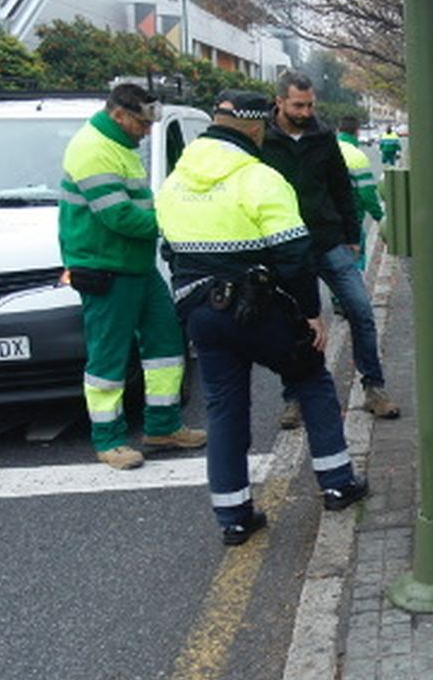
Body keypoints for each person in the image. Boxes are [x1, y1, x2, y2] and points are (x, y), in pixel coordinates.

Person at [155, 90, 367, 546]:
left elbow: (170, 251)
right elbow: (294, 256)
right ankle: (337, 483)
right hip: (259, 309)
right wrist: (311, 315)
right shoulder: (260, 179)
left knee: (224, 408)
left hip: (201, 312)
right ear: (257, 127)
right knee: (310, 378)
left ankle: (233, 515)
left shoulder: (174, 182)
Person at [59, 83, 205, 470]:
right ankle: (108, 440)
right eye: (141, 123)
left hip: (135, 266)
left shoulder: (119, 147)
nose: (147, 131)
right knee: (108, 356)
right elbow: (119, 217)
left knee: (166, 343)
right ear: (119, 115)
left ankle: (163, 426)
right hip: (106, 268)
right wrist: (172, 221)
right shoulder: (92, 149)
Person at [262, 72, 400, 428]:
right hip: (284, 245)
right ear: (280, 102)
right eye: (298, 105)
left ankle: (374, 388)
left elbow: (341, 187)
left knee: (361, 311)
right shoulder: (262, 138)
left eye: (310, 105)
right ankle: (294, 397)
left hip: (329, 240)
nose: (306, 111)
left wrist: (352, 235)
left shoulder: (322, 136)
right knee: (291, 324)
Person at [336, 115, 384, 272]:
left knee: (335, 270)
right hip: (352, 221)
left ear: (338, 130)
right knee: (353, 268)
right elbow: (367, 195)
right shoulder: (357, 156)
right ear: (357, 132)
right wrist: (379, 217)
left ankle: (336, 297)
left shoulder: (326, 150)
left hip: (326, 223)